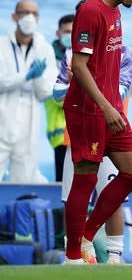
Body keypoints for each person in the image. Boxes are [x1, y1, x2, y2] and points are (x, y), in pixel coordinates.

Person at [63, 0, 132, 264]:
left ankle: (86, 233)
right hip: (88, 109)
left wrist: (113, 107)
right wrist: (105, 106)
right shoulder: (90, 10)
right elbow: (79, 66)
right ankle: (72, 258)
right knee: (85, 177)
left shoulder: (115, 12)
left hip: (111, 110)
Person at [56, 42, 132, 264]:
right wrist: (80, 86)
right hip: (77, 135)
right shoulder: (71, 54)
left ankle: (114, 256)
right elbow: (56, 92)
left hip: (111, 134)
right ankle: (71, 253)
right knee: (70, 198)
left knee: (113, 199)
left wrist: (79, 84)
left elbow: (119, 92)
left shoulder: (123, 52)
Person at [0, 0, 57, 183]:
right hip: (2, 120)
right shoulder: (1, 46)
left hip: (28, 125)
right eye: (24, 12)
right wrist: (26, 76)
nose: (29, 17)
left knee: (22, 182)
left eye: (34, 13)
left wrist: (38, 77)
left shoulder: (44, 49)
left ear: (38, 18)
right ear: (14, 16)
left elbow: (46, 91)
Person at [45, 14, 75, 181]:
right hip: (61, 135)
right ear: (58, 33)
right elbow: (56, 95)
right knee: (64, 186)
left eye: (73, 31)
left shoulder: (83, 57)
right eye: (66, 31)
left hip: (83, 132)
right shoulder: (49, 59)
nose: (70, 36)